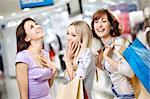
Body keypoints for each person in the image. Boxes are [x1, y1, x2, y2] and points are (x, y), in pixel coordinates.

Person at [91, 9, 135, 98]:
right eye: (96, 22)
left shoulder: (119, 44)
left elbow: (131, 72)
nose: (99, 25)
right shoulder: (105, 47)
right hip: (118, 95)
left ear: (111, 25)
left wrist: (107, 58)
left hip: (129, 96)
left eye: (103, 21)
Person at [15, 18, 57, 99]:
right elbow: (23, 97)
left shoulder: (45, 54)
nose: (37, 26)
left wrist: (54, 70)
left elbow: (48, 86)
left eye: (36, 24)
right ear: (26, 38)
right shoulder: (23, 57)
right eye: (32, 27)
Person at [64, 21, 96, 99]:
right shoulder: (74, 53)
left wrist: (67, 60)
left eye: (73, 35)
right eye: (68, 33)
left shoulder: (86, 53)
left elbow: (76, 80)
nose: (68, 37)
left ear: (83, 37)